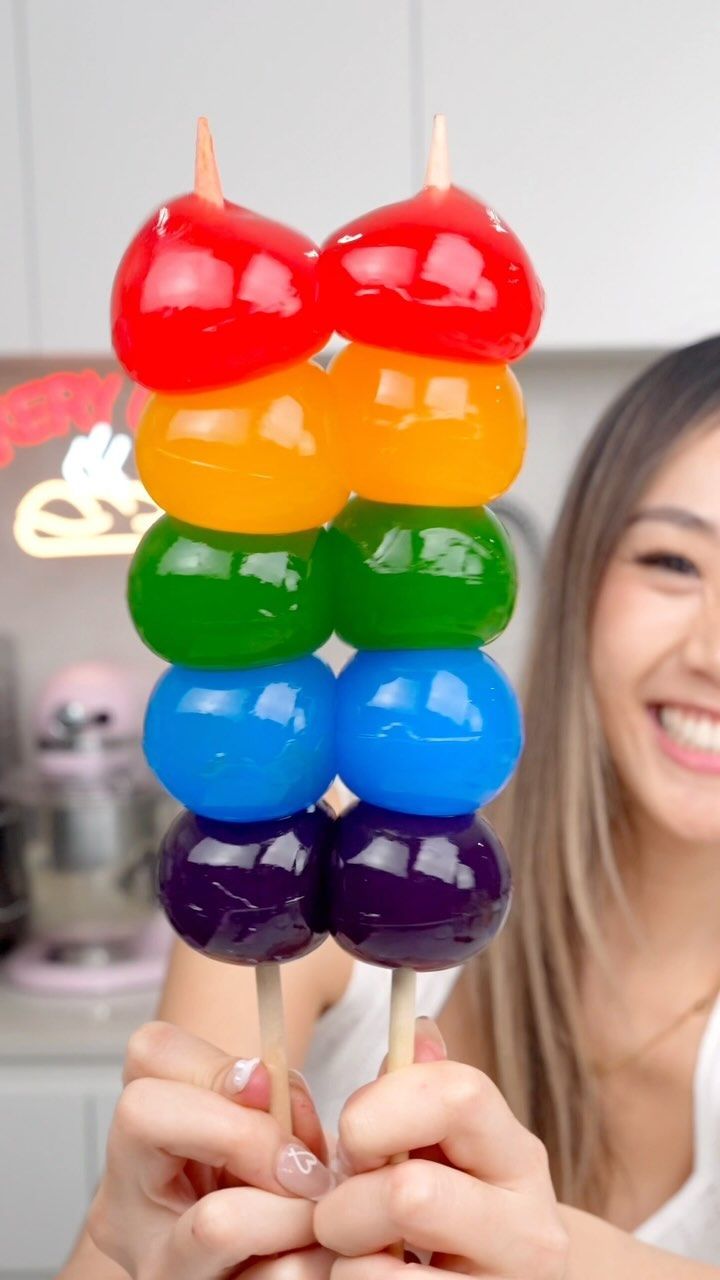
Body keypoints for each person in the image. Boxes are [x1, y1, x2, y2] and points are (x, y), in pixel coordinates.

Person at [60, 336, 720, 1278]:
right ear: (581, 576)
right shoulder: (307, 853)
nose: (714, 646)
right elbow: (126, 1247)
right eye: (675, 561)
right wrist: (130, 1259)